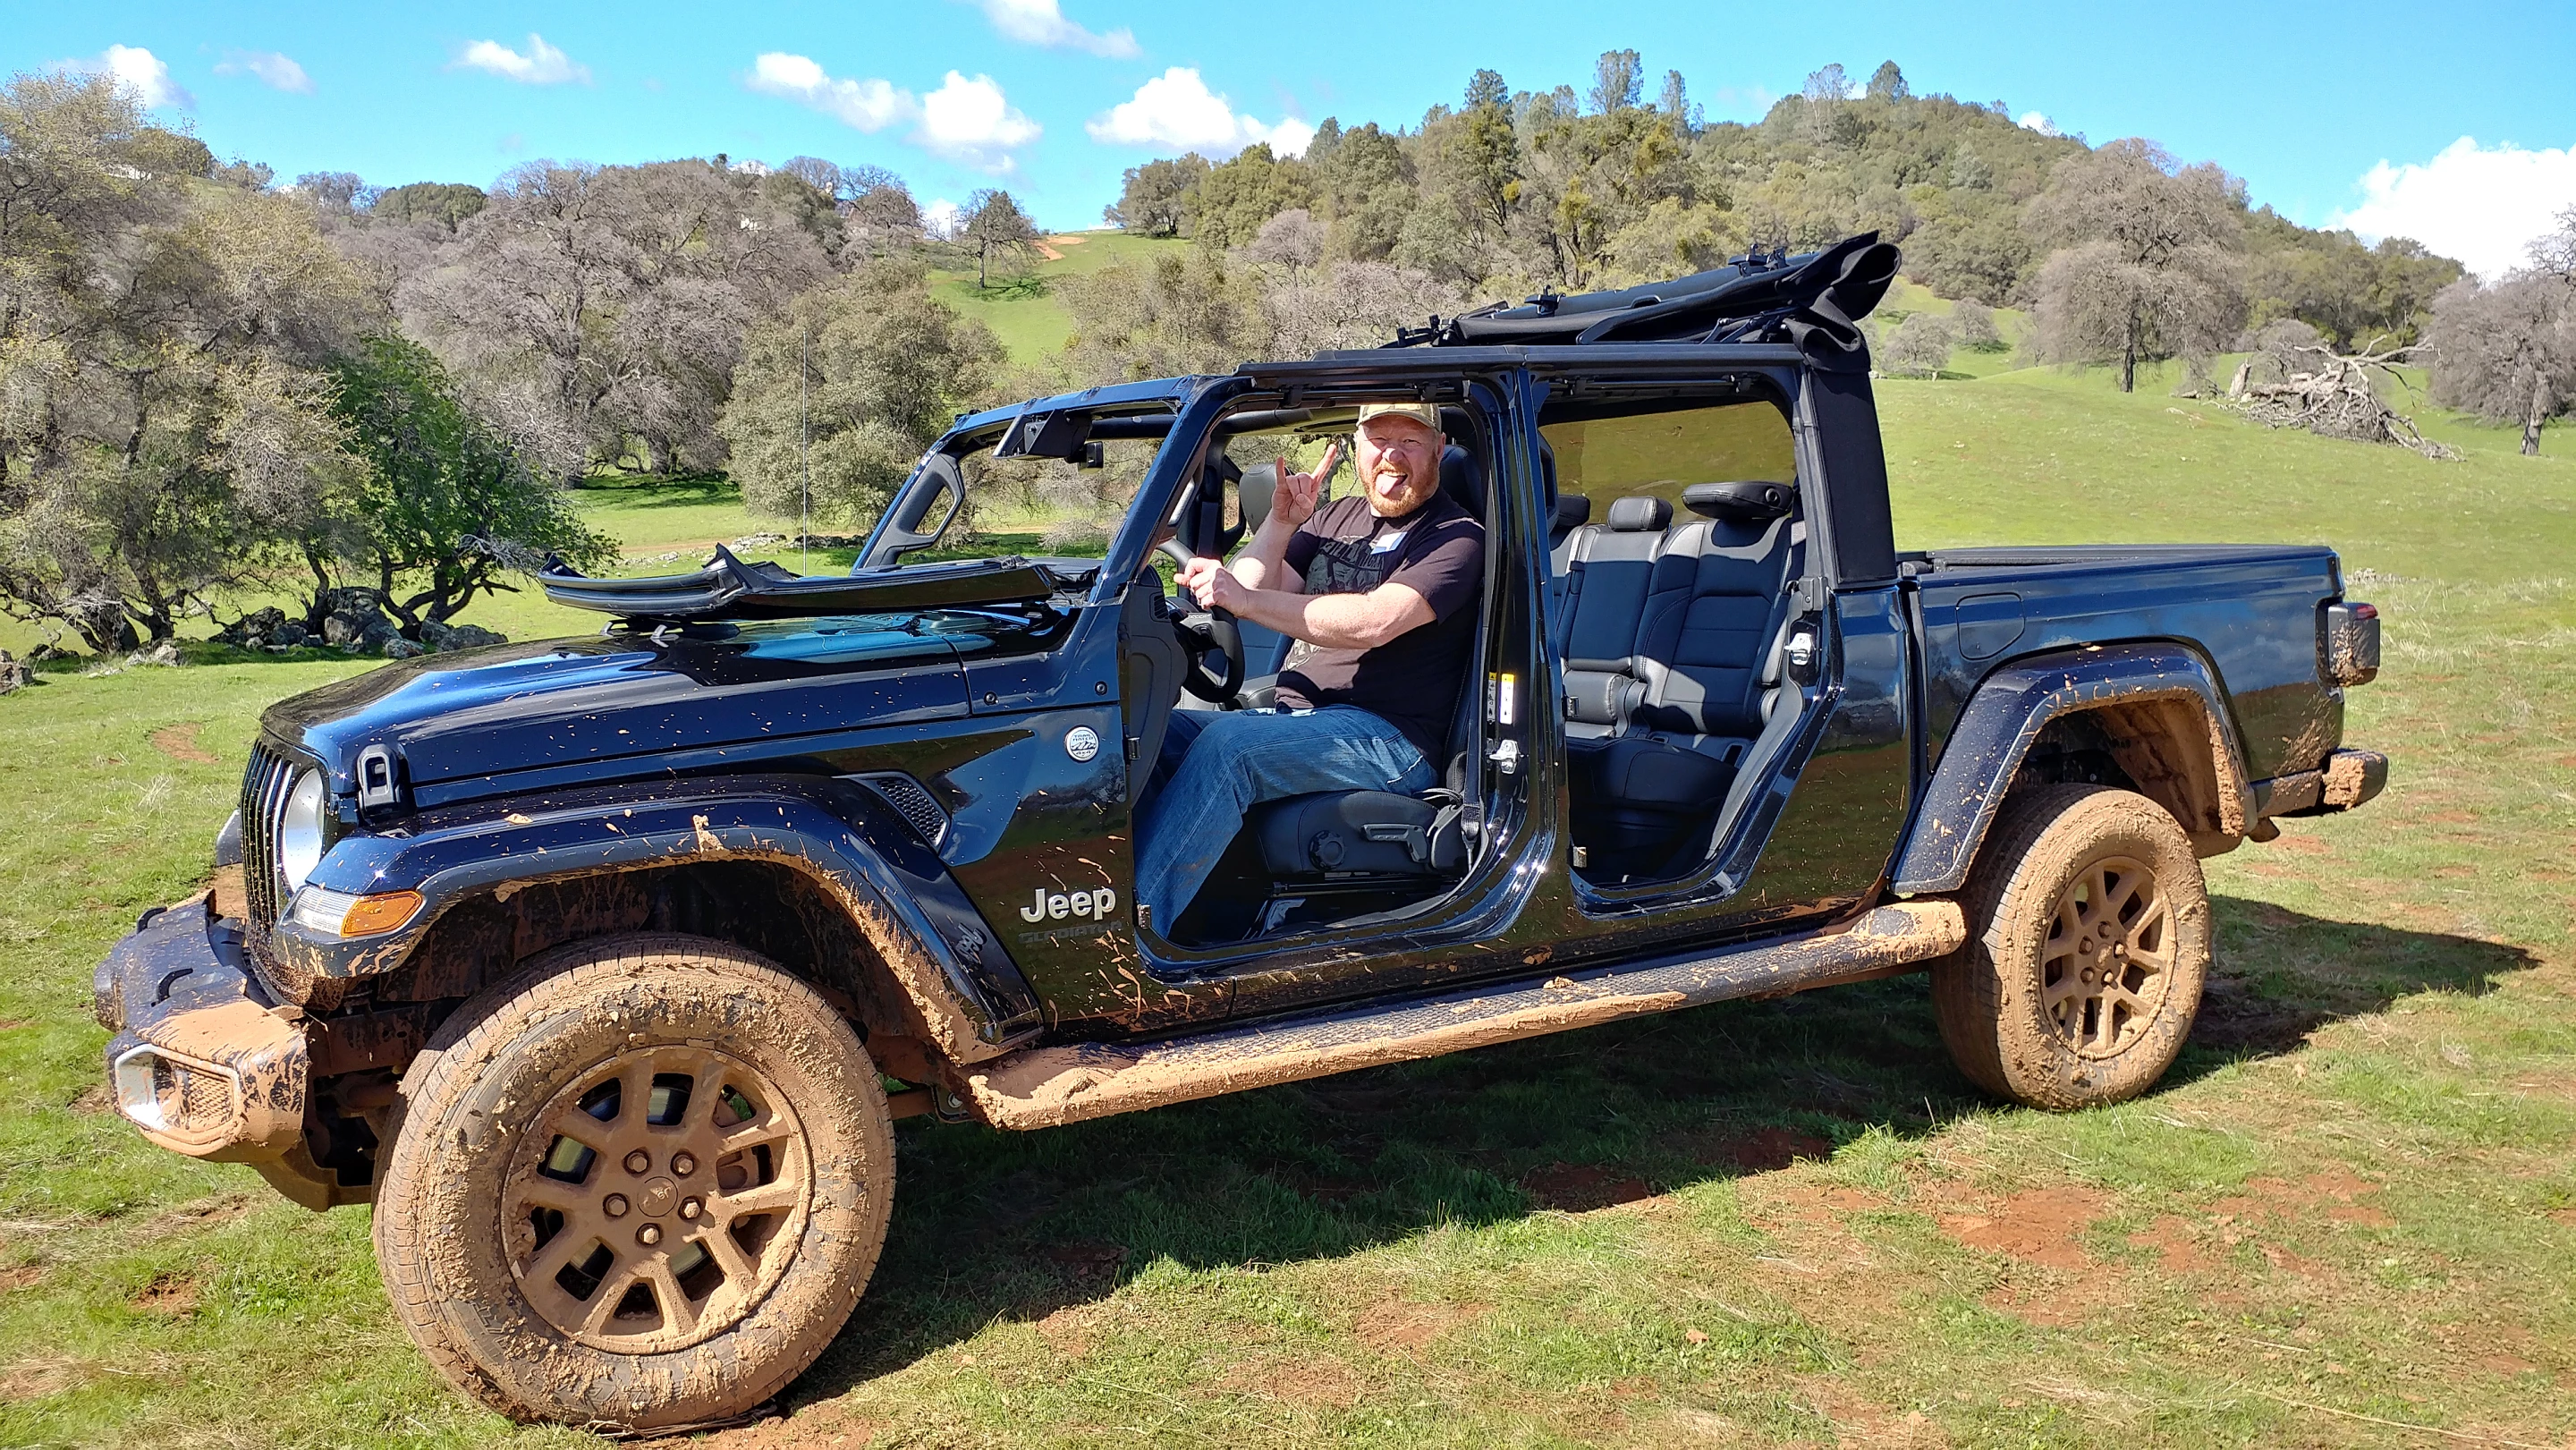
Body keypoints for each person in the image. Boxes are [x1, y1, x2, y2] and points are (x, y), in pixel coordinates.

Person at [1135, 402, 1487, 935]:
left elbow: (1374, 620)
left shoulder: (1456, 536)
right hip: (1299, 720)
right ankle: (1175, 915)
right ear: (1357, 445)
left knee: (1230, 750)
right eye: (1378, 439)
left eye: (1410, 442)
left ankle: (1134, 939)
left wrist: (1245, 600)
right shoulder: (1336, 516)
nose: (1392, 455)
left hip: (1390, 741)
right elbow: (1250, 585)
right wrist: (1281, 522)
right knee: (1149, 728)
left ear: (1439, 449)